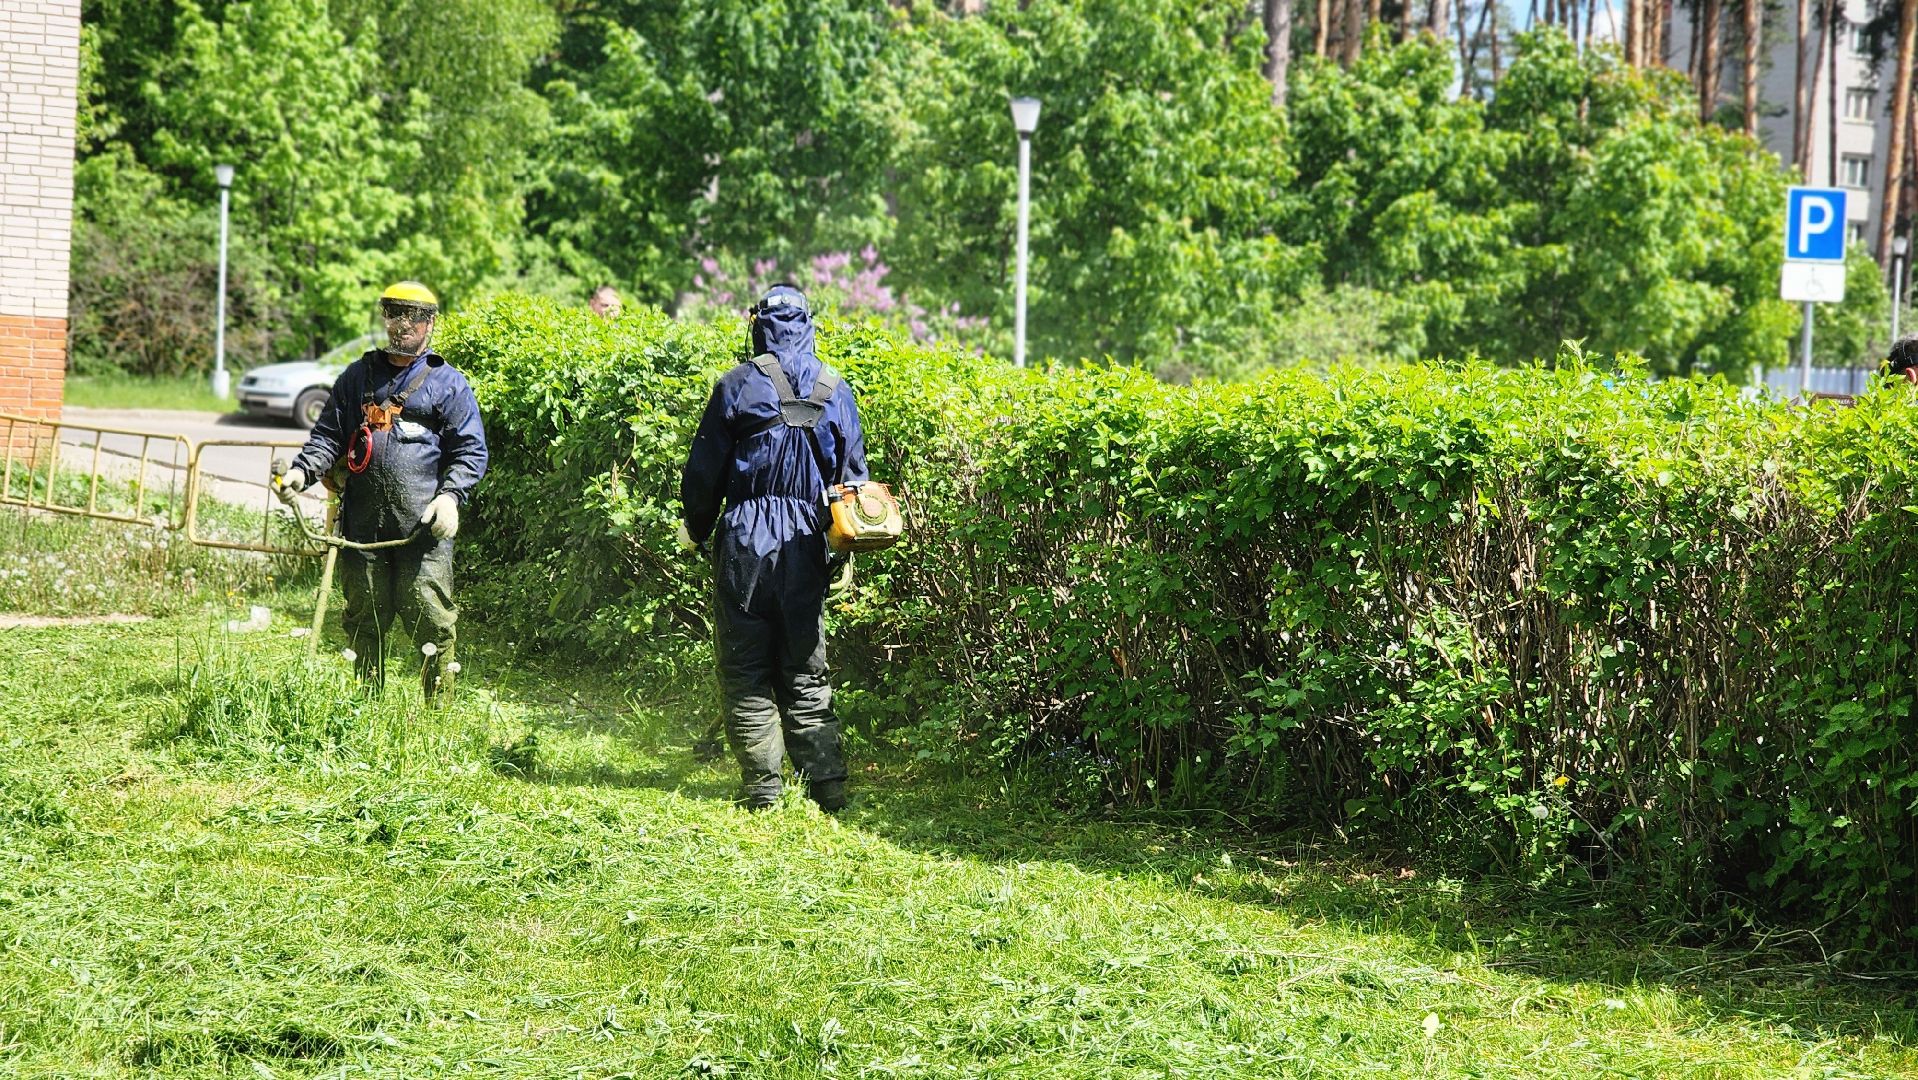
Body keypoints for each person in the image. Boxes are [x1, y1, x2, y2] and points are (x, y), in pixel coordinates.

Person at [680, 283, 867, 811]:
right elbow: (853, 483)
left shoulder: (737, 384)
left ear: (758, 324)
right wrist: (842, 552)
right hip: (810, 540)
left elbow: (704, 473)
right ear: (809, 324)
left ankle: (764, 790)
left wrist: (695, 528)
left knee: (745, 666)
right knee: (805, 667)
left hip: (744, 541)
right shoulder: (837, 387)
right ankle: (828, 787)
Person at [278, 281, 489, 699]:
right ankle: (364, 710)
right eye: (395, 315)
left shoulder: (448, 384)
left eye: (413, 317)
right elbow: (327, 436)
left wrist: (451, 497)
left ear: (430, 324)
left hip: (423, 530)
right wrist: (301, 473)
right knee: (363, 618)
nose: (403, 325)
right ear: (385, 319)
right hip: (362, 528)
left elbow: (470, 450)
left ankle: (439, 715)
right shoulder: (358, 377)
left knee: (432, 620)